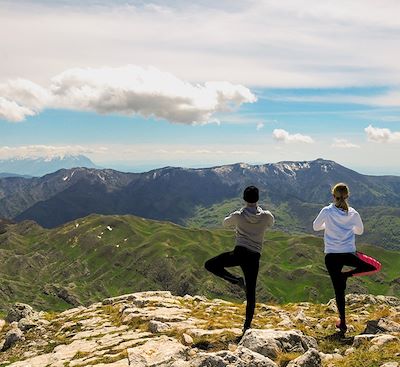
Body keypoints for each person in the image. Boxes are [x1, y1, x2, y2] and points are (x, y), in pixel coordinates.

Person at [204, 186, 274, 337]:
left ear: (244, 198)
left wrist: (238, 216)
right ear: (258, 198)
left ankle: (236, 280)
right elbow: (271, 223)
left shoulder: (238, 215)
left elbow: (224, 223)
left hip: (239, 253)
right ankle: (246, 326)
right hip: (254, 256)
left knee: (210, 265)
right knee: (251, 293)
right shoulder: (266, 216)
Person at [313, 183, 381, 335]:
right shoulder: (353, 213)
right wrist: (349, 227)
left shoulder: (327, 210)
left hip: (331, 256)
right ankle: (347, 275)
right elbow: (360, 231)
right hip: (349, 253)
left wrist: (328, 226)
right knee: (373, 266)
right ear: (347, 196)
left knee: (339, 291)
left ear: (333, 196)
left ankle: (343, 323)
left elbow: (316, 227)